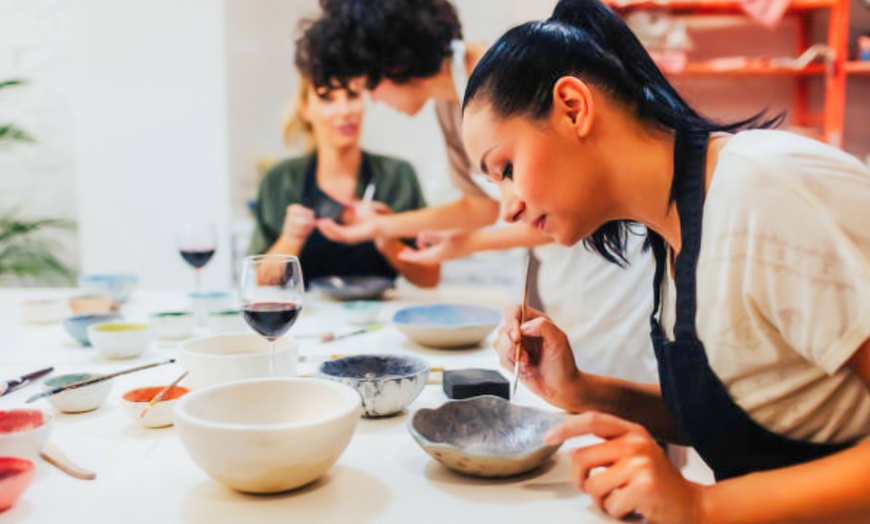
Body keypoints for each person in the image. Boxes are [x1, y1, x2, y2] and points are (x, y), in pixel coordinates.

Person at [464, 0, 870, 521]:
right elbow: (740, 414)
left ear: (572, 107)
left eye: (506, 167)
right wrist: (581, 389)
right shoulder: (671, 232)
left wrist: (702, 503)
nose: (509, 206)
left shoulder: (766, 189)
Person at [296, 0, 658, 382]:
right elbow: (480, 206)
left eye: (369, 86)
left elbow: (549, 202)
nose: (373, 101)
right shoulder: (452, 103)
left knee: (624, 389)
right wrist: (380, 227)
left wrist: (466, 244)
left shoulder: (499, 85)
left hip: (604, 263)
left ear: (394, 66)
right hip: (566, 271)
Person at [248, 74, 439, 288]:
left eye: (352, 95)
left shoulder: (398, 176)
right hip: (307, 317)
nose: (345, 110)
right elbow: (257, 284)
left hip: (379, 318)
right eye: (327, 98)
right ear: (305, 108)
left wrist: (386, 238)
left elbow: (430, 278)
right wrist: (290, 239)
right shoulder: (279, 180)